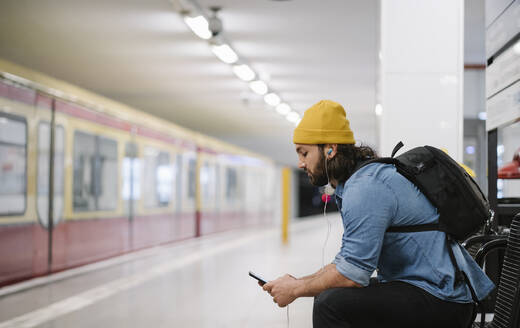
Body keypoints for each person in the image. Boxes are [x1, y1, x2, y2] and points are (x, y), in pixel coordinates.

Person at [262, 100, 495, 328]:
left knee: (330, 304)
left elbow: (352, 275)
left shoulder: (364, 187)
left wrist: (295, 290)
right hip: (427, 290)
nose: (301, 163)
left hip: (443, 300)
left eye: (304, 153)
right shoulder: (360, 182)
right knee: (328, 295)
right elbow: (347, 263)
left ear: (330, 149)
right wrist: (297, 283)